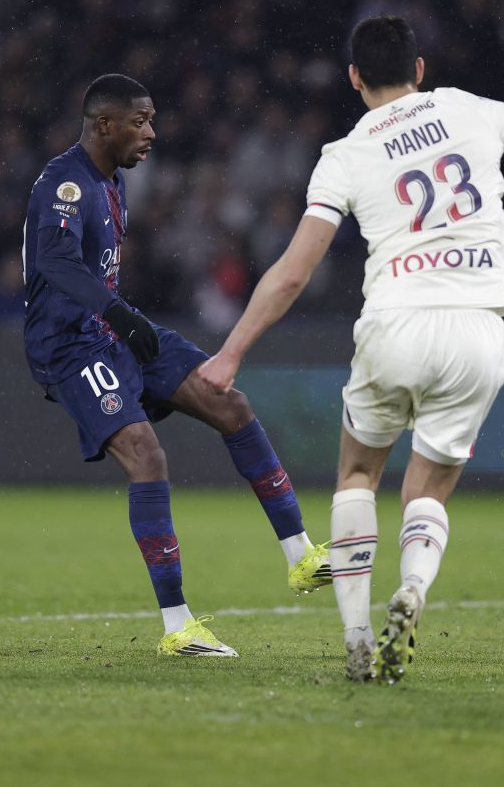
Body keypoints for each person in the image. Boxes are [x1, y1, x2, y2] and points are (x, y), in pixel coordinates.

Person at [199, 16, 504, 683]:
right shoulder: (470, 109)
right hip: (480, 329)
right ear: (420, 69)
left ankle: (358, 636)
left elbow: (294, 272)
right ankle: (413, 586)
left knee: (358, 475)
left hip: (396, 323)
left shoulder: (345, 154)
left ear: (354, 78)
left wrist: (231, 352)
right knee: (429, 489)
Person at [22, 74, 331, 658]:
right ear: (104, 124)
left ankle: (301, 556)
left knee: (227, 401)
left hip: (110, 328)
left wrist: (119, 317)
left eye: (153, 120)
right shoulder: (66, 183)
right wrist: (119, 313)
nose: (152, 133)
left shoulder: (111, 180)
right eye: (140, 122)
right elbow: (55, 263)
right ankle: (178, 628)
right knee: (146, 454)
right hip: (68, 345)